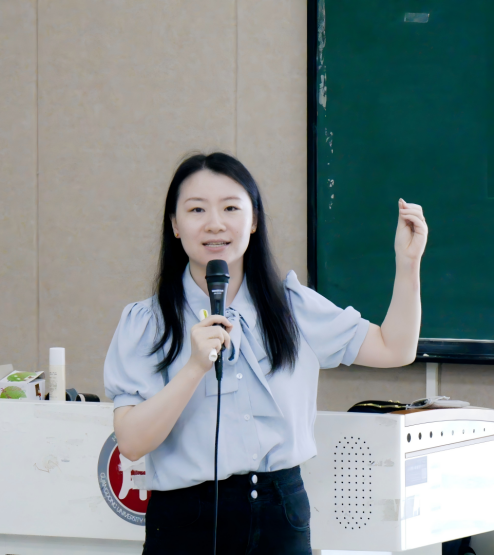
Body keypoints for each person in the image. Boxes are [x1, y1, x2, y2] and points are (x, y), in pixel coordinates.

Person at [104, 152, 426, 554]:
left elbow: (395, 348)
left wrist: (408, 264)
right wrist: (193, 368)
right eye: (197, 209)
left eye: (231, 208)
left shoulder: (292, 307)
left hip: (280, 512)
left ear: (254, 220)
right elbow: (131, 442)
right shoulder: (148, 322)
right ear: (175, 225)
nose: (215, 223)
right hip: (186, 520)